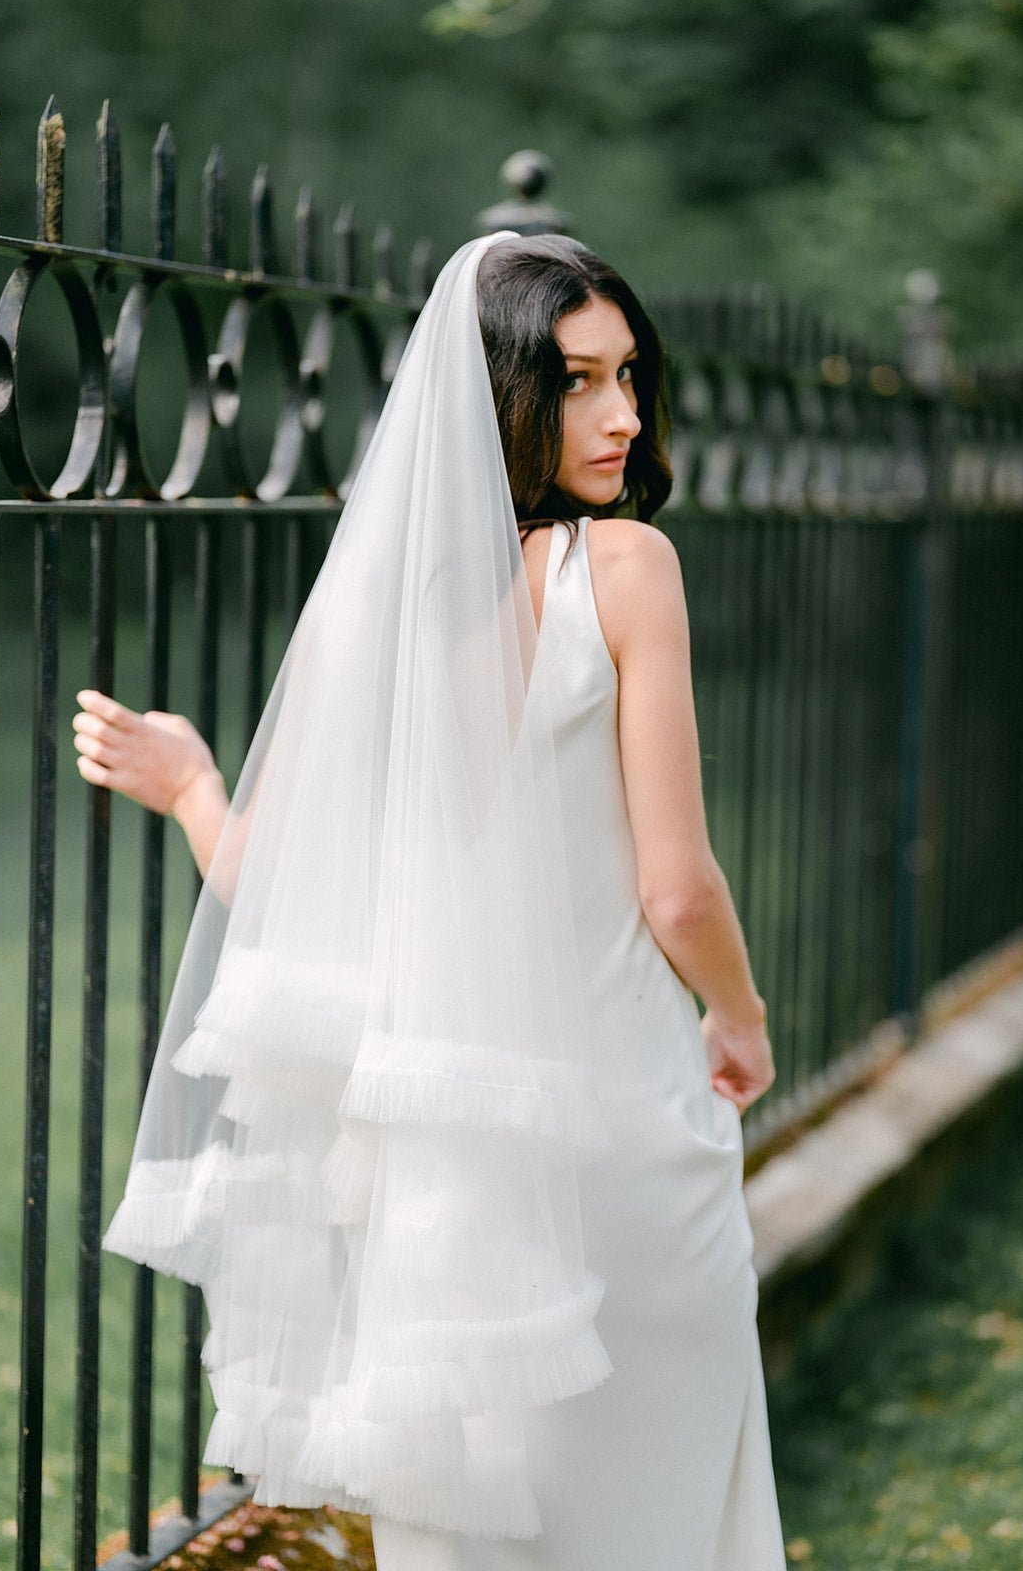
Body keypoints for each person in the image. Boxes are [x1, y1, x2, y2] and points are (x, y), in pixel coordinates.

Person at [79, 232, 786, 1569]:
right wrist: (739, 1016)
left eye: (629, 374)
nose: (625, 415)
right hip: (622, 1139)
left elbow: (283, 894)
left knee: (478, 1537)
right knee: (656, 1518)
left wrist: (191, 789)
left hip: (442, 1182)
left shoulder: (380, 615)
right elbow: (679, 887)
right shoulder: (624, 569)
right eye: (579, 382)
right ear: (506, 395)